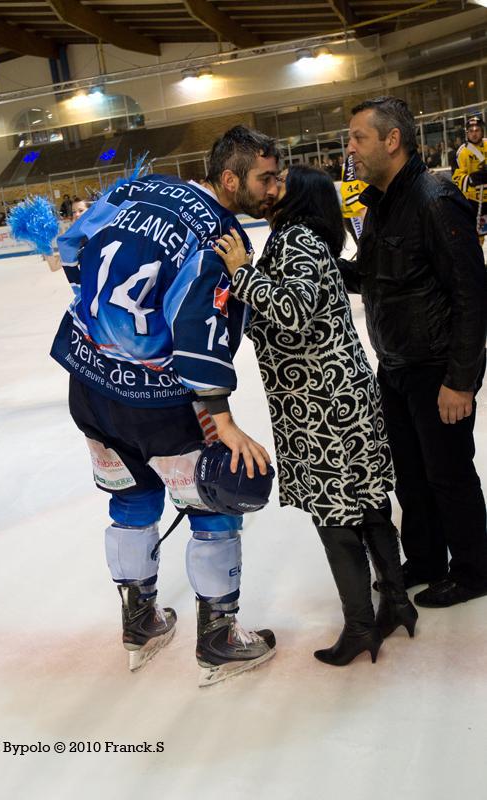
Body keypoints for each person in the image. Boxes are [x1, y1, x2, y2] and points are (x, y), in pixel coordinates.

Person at [50, 126, 281, 685]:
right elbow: (196, 326)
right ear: (230, 179)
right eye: (266, 178)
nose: (276, 188)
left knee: (130, 497)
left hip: (89, 383)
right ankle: (220, 637)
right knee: (214, 502)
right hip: (160, 403)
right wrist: (221, 419)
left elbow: (72, 246)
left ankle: (139, 623)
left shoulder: (136, 188)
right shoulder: (216, 230)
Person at [213, 165, 416, 667]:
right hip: (333, 394)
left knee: (335, 515)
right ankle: (395, 601)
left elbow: (294, 310)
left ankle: (361, 626)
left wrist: (241, 273)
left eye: (280, 181)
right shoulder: (302, 239)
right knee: (366, 500)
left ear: (300, 196)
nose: (272, 187)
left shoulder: (297, 239)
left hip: (323, 405)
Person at [340, 96, 487, 608]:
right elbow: (368, 276)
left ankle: (473, 570)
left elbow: (472, 293)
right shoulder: (380, 203)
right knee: (411, 474)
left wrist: (461, 379)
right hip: (397, 365)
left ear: (392, 140)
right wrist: (320, 264)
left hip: (437, 367)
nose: (350, 147)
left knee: (448, 474)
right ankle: (426, 559)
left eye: (359, 137)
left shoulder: (433, 198)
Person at [452, 114, 487, 241]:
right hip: (474, 201)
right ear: (466, 133)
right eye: (471, 131)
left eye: (477, 130)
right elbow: (456, 178)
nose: (474, 133)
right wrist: (472, 179)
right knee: (477, 237)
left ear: (482, 131)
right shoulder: (462, 152)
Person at [44, 198, 93, 271]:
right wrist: (43, 243)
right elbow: (55, 266)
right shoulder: (75, 241)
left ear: (91, 211)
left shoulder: (103, 231)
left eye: (81, 210)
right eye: (74, 212)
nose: (76, 214)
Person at [340, 153, 368, 241]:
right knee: (366, 247)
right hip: (356, 215)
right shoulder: (353, 159)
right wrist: (361, 210)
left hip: (369, 211)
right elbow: (348, 189)